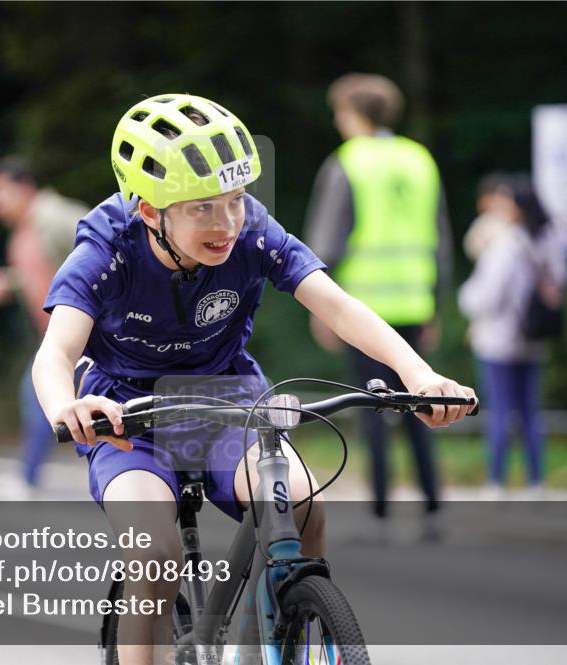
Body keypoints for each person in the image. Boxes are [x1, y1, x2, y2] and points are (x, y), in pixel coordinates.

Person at [32, 93, 477, 665]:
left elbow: (338, 307)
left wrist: (418, 373)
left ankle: (290, 628)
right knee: (156, 554)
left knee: (304, 506)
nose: (226, 224)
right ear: (149, 210)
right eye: (201, 209)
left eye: (236, 200)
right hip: (129, 416)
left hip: (229, 401)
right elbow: (56, 352)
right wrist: (65, 407)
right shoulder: (106, 246)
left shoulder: (251, 233)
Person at [304, 73, 453, 526]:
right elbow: (439, 237)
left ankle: (382, 509)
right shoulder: (419, 159)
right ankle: (432, 503)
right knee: (421, 403)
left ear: (354, 114)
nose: (337, 120)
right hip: (413, 302)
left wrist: (321, 307)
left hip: (362, 309)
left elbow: (326, 242)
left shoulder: (347, 162)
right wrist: (434, 303)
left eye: (340, 111)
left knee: (371, 409)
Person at [0, 156, 89, 490]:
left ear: (25, 188)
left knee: (38, 393)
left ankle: (28, 479)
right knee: (49, 396)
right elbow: (49, 272)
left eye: (1, 194)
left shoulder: (56, 217)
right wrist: (11, 281)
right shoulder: (26, 231)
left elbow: (106, 251)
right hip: (60, 335)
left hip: (88, 333)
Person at [458, 176, 567, 496]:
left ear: (518, 207)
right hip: (534, 339)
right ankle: (536, 481)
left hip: (499, 340)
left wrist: (465, 301)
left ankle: (496, 481)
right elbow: (560, 281)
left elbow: (486, 296)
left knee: (501, 412)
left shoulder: (507, 244)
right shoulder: (550, 239)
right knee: (531, 412)